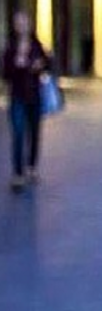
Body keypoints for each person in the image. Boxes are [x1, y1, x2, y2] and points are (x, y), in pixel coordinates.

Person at [2, 12, 49, 190]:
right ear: (14, 26)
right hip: (17, 96)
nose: (21, 26)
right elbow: (5, 74)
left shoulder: (37, 45)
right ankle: (18, 173)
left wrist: (40, 65)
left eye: (24, 23)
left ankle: (31, 166)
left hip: (34, 96)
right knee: (18, 133)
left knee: (34, 132)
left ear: (30, 25)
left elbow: (47, 63)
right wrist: (17, 64)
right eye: (18, 23)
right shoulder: (10, 48)